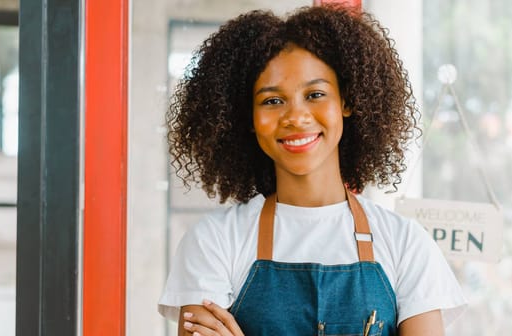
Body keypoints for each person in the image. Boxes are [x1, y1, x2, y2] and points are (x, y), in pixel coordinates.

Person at [159, 4, 466, 335]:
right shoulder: (213, 242)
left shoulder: (407, 243)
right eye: (272, 101)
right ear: (248, 117)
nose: (296, 116)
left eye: (315, 94)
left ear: (347, 102)